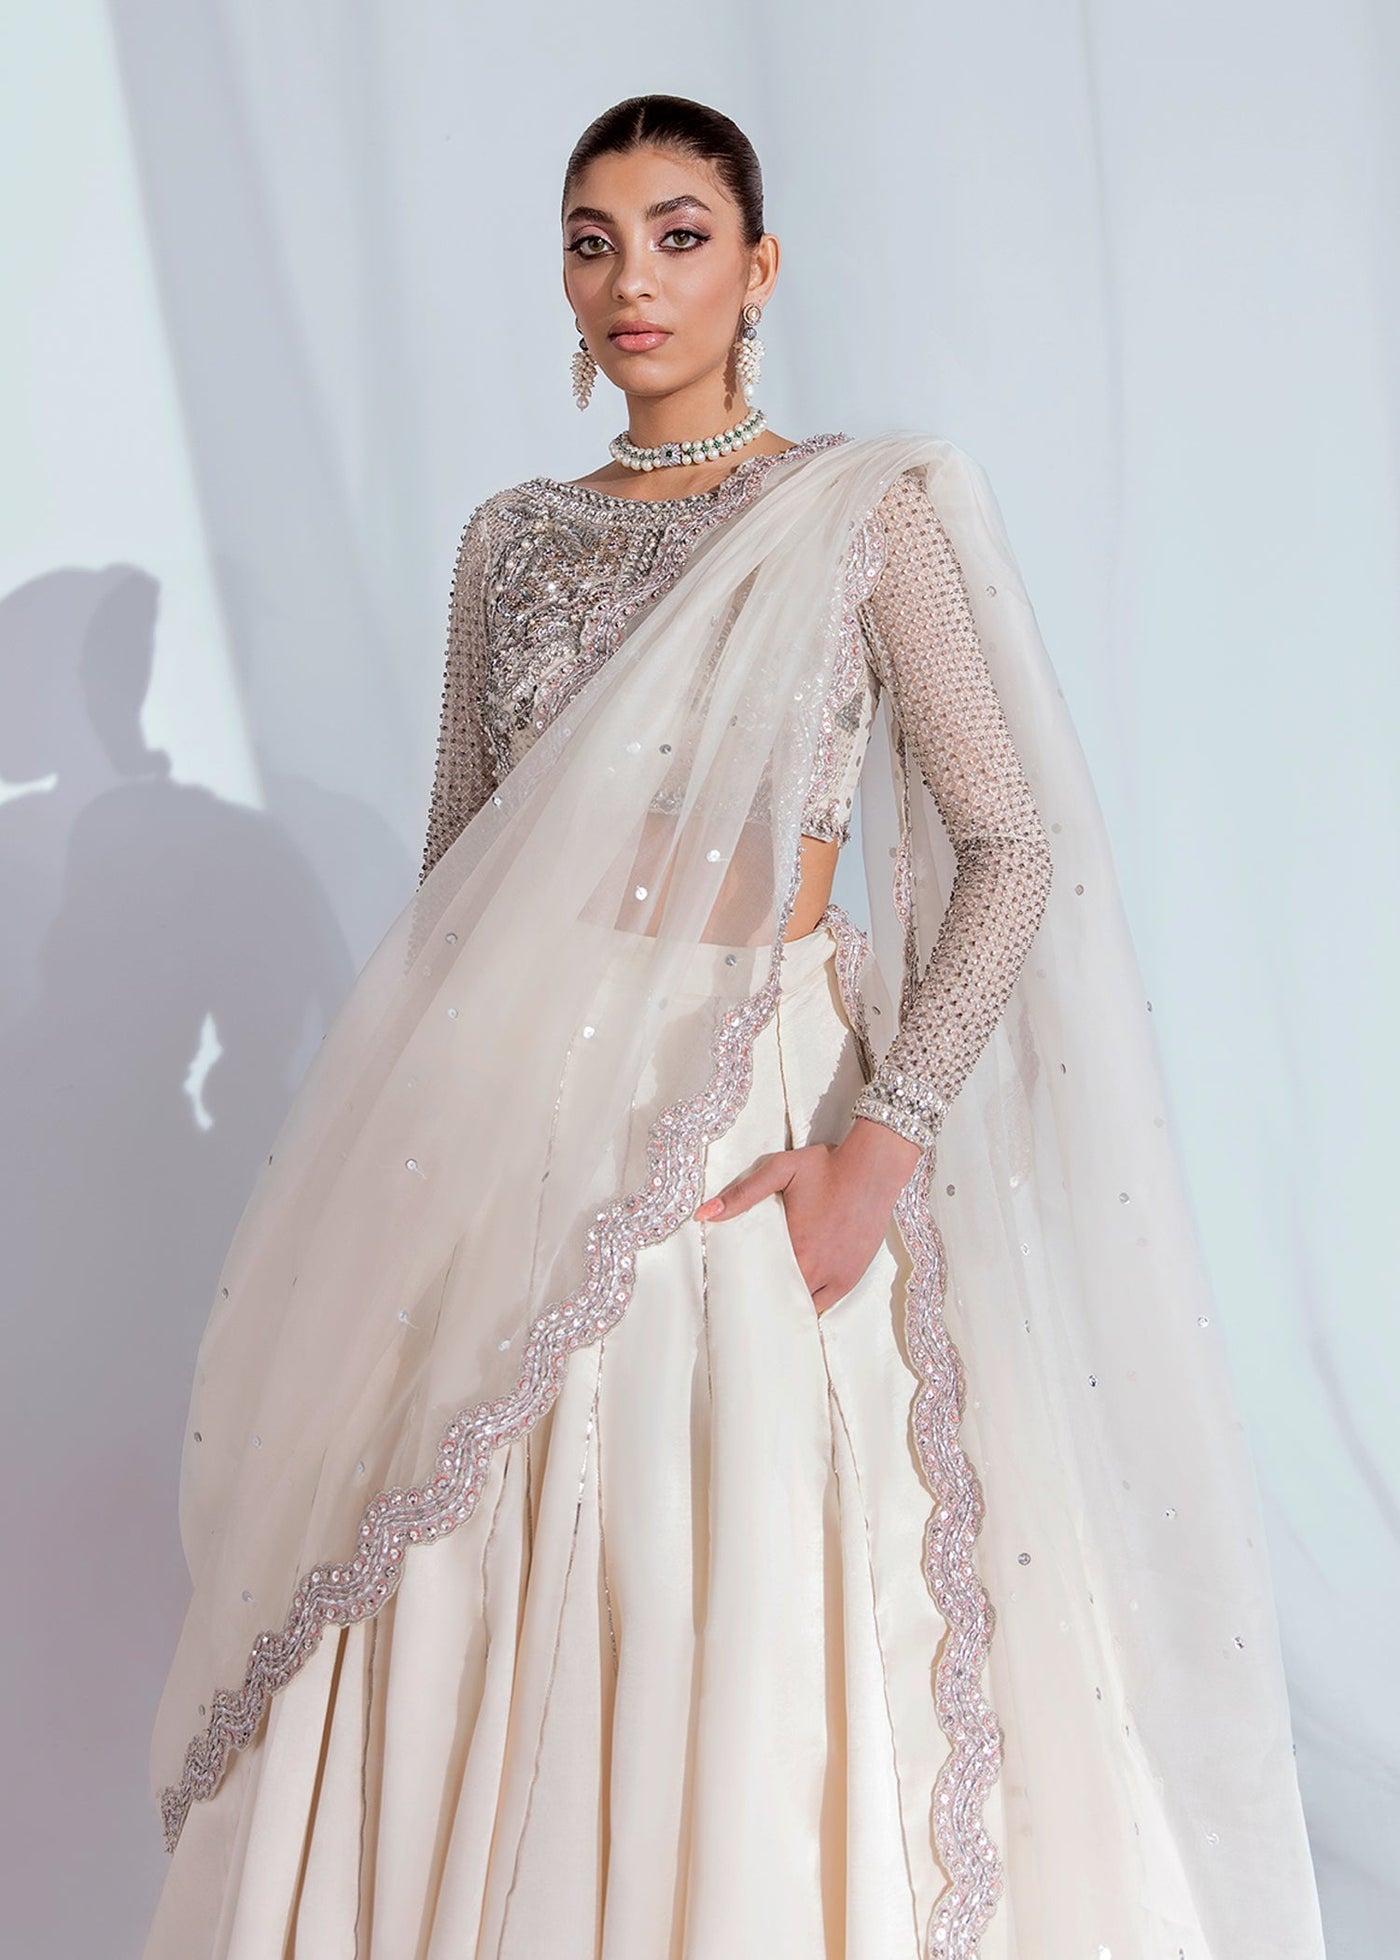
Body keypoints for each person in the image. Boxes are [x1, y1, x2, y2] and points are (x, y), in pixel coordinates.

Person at [142, 94, 1327, 1960]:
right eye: (594, 240)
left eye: (680, 236)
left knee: (725, 1568)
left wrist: (883, 1143)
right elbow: (460, 873)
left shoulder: (861, 515)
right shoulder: (512, 542)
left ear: (759, 268)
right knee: (482, 1570)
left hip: (750, 1109)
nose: (634, 279)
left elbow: (1009, 846)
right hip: (509, 1122)